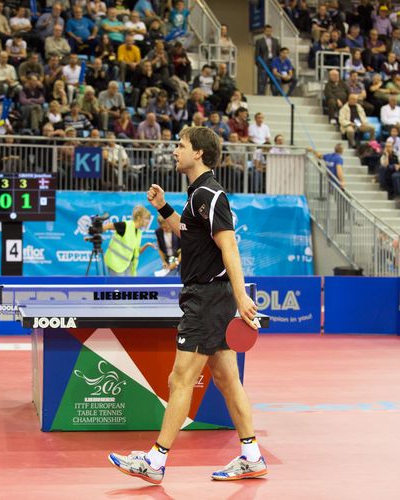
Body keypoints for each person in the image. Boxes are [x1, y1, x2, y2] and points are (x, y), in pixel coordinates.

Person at [109, 126, 266, 483]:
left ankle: (155, 460)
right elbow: (190, 234)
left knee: (179, 379)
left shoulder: (211, 194)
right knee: (228, 380)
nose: (175, 150)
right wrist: (163, 206)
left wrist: (242, 297)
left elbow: (229, 247)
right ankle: (252, 455)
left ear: (199, 153)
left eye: (180, 146)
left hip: (208, 298)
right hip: (210, 297)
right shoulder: (196, 194)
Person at [102, 205, 154, 276]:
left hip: (128, 266)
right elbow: (107, 226)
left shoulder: (138, 232)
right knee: (118, 287)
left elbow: (136, 252)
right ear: (139, 218)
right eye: (147, 219)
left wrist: (147, 245)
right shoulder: (126, 225)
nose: (148, 221)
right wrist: (95, 232)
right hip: (116, 264)